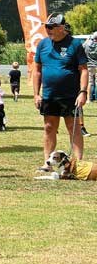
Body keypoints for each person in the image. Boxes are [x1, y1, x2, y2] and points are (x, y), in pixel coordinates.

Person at [33, 12, 89, 171]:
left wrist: (83, 92)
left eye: (51, 27)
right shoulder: (42, 44)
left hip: (71, 95)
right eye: (46, 26)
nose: (48, 29)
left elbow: (83, 70)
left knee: (73, 127)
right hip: (49, 95)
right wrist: (36, 94)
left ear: (62, 27)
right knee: (49, 127)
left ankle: (77, 164)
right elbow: (36, 70)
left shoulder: (75, 44)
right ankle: (48, 163)